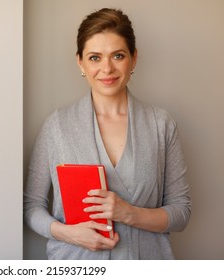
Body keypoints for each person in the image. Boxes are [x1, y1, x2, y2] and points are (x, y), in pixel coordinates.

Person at [23, 8, 191, 260]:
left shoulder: (161, 124)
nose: (107, 68)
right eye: (94, 58)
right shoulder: (57, 125)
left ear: (133, 59)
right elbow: (31, 207)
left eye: (118, 55)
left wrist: (128, 213)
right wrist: (68, 233)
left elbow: (181, 212)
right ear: (80, 61)